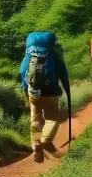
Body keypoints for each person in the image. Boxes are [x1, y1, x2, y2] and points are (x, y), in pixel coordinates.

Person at [19, 30, 71, 163]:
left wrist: (26, 91)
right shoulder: (53, 54)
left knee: (35, 119)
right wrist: (67, 90)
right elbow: (63, 73)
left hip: (33, 92)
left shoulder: (29, 55)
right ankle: (45, 141)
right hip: (51, 91)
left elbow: (22, 71)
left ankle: (36, 144)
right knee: (52, 118)